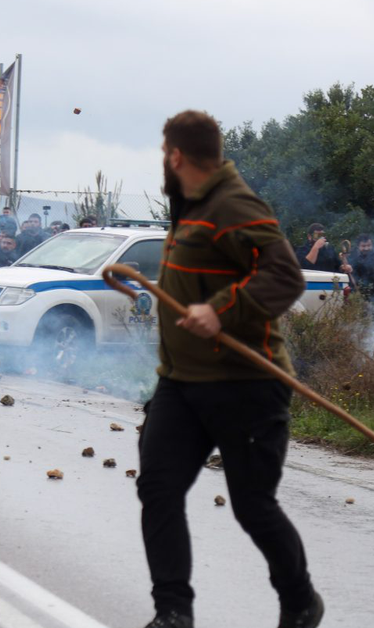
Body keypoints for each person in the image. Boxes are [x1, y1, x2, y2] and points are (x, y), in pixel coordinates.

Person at [139, 110, 322, 628]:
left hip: (246, 385)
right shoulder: (190, 204)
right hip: (181, 383)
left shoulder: (235, 204)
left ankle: (301, 599)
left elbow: (286, 277)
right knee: (158, 487)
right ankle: (173, 612)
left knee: (252, 505)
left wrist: (220, 309)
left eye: (163, 154)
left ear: (176, 155)